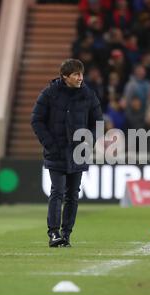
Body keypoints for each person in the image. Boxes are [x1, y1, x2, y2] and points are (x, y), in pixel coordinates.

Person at [31, 59, 103, 248]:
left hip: (78, 153)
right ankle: (54, 233)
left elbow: (98, 123)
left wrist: (88, 142)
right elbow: (36, 120)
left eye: (81, 74)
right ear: (65, 77)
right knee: (58, 191)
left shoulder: (88, 94)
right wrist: (50, 145)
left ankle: (66, 234)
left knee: (73, 195)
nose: (80, 78)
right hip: (56, 152)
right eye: (76, 74)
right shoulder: (49, 93)